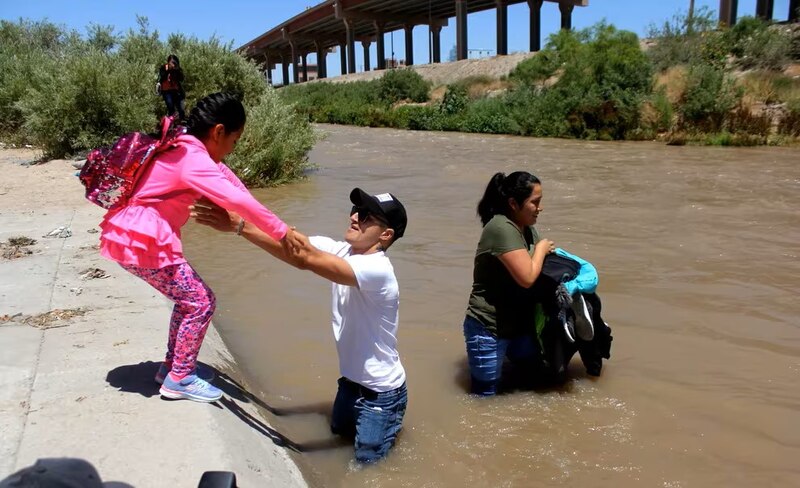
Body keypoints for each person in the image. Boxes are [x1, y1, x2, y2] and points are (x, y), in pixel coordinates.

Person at [98, 92, 298, 403]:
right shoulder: (193, 159)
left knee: (188, 299)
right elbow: (236, 201)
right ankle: (179, 379)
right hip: (143, 239)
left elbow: (229, 182)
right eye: (235, 140)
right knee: (201, 301)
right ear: (219, 131)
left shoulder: (184, 145)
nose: (234, 147)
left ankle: (172, 368)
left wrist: (270, 221)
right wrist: (281, 232)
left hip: (133, 235)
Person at [191, 188, 409, 464]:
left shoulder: (377, 270)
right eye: (355, 210)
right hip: (350, 384)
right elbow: (290, 240)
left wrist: (239, 226)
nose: (354, 217)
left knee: (367, 463)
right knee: (339, 436)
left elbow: (303, 259)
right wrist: (231, 205)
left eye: (366, 216)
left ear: (385, 235)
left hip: (380, 396)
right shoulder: (346, 251)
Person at [462, 171, 556, 396]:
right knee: (485, 398)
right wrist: (541, 249)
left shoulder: (527, 228)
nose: (540, 208)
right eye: (535, 202)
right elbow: (527, 278)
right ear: (513, 203)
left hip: (519, 325)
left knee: (532, 380)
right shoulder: (501, 228)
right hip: (489, 327)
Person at [157, 54, 185, 120]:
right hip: (167, 91)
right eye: (172, 62)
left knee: (181, 109)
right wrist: (168, 70)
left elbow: (182, 79)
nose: (173, 64)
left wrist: (177, 70)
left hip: (176, 91)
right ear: (168, 62)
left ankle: (182, 123)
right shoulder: (164, 67)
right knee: (171, 108)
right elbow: (161, 77)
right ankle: (171, 125)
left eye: (175, 62)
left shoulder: (177, 69)